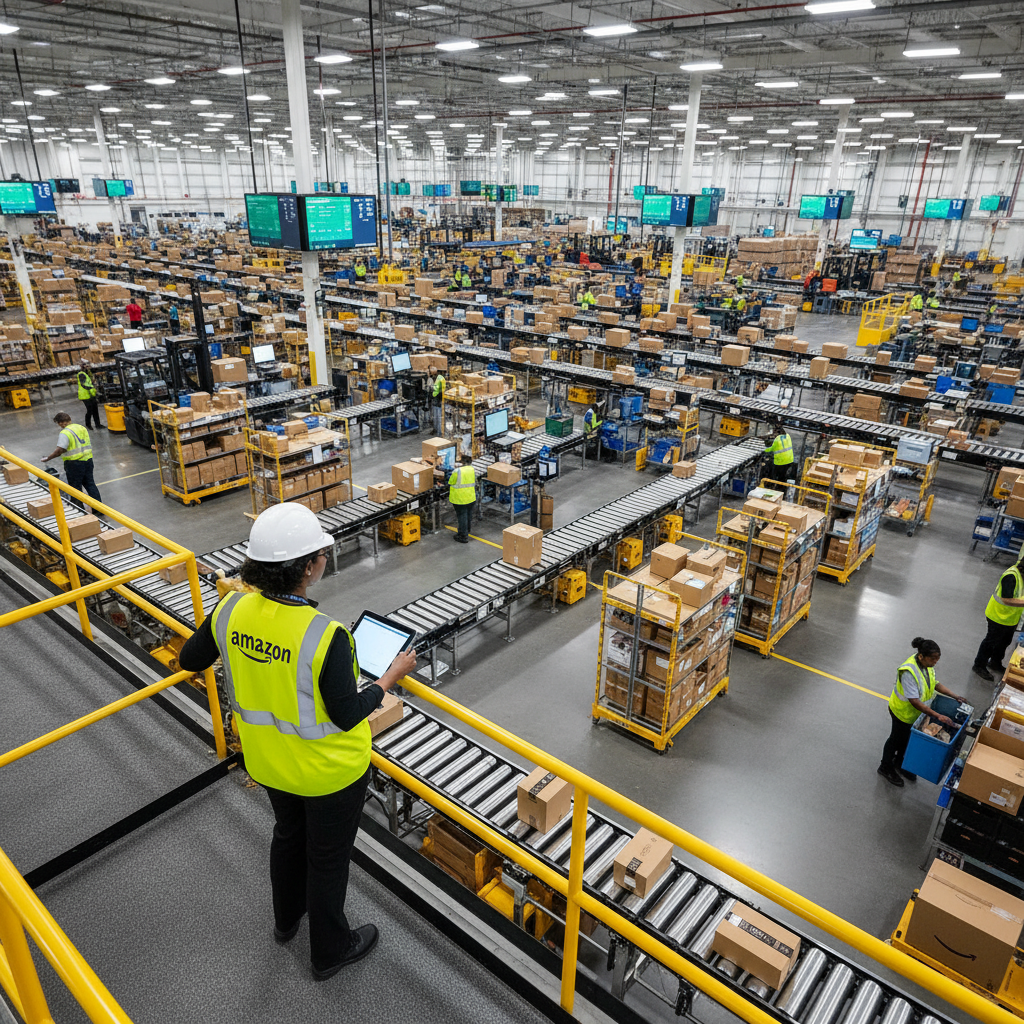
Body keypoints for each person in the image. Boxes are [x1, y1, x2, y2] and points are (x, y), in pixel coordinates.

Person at [178, 504, 417, 979]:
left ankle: (286, 922)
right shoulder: (325, 635)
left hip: (267, 763)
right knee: (327, 863)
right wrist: (389, 678)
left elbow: (190, 658)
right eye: (321, 554)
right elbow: (348, 714)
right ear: (308, 567)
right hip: (329, 775)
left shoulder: (230, 608)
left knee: (288, 838)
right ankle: (330, 950)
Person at [878, 638, 966, 787]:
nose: (935, 662)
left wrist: (954, 695)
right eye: (933, 659)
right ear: (921, 656)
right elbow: (914, 701)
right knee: (896, 739)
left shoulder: (927, 664)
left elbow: (934, 683)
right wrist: (937, 715)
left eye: (937, 659)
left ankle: (900, 763)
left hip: (915, 714)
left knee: (907, 739)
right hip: (902, 713)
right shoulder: (908, 672)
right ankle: (885, 766)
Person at [972, 553, 1024, 680]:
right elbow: (1006, 599)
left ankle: (995, 662)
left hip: (1010, 618)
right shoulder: (1011, 576)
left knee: (1004, 642)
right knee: (991, 642)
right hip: (997, 616)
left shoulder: (1022, 575)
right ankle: (979, 665)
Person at [41, 412, 102, 509]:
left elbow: (60, 450)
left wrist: (48, 458)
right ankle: (99, 509)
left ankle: (79, 509)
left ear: (60, 423)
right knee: (90, 484)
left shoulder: (65, 433)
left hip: (74, 464)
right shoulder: (81, 427)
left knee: (75, 488)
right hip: (88, 460)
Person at [448, 453, 476, 544]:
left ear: (462, 462)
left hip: (460, 498)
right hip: (471, 496)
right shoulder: (472, 469)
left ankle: (463, 536)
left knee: (462, 516)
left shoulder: (457, 471)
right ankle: (467, 530)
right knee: (468, 514)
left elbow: (450, 481)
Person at [76, 358, 102, 431]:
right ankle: (88, 424)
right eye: (86, 365)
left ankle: (98, 424)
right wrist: (92, 386)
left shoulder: (88, 372)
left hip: (91, 394)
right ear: (82, 366)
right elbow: (84, 385)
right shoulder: (81, 374)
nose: (88, 366)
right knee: (89, 410)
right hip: (85, 395)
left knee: (95, 410)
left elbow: (91, 381)